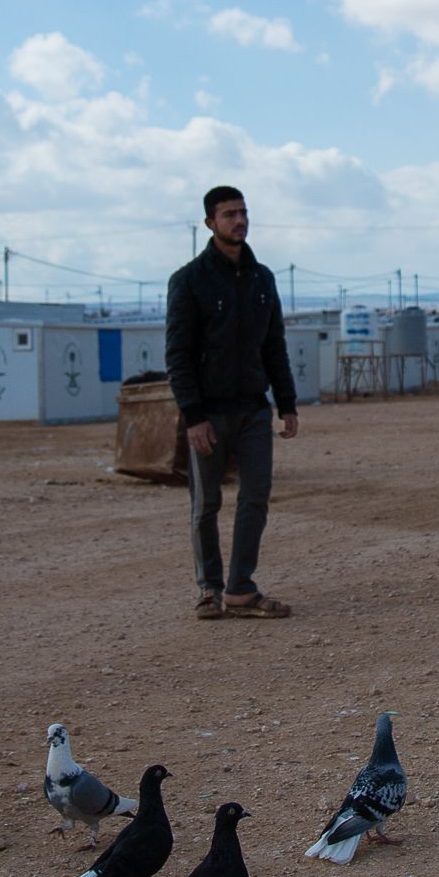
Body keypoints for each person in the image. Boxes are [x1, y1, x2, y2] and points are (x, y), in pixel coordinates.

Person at [165, 185, 299, 620]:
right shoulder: (189, 280)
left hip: (254, 409)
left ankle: (241, 589)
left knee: (255, 498)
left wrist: (287, 403)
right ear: (210, 223)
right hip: (209, 413)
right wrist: (194, 416)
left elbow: (274, 346)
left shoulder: (262, 279)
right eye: (229, 214)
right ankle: (209, 588)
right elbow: (178, 355)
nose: (239, 221)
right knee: (206, 504)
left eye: (243, 212)